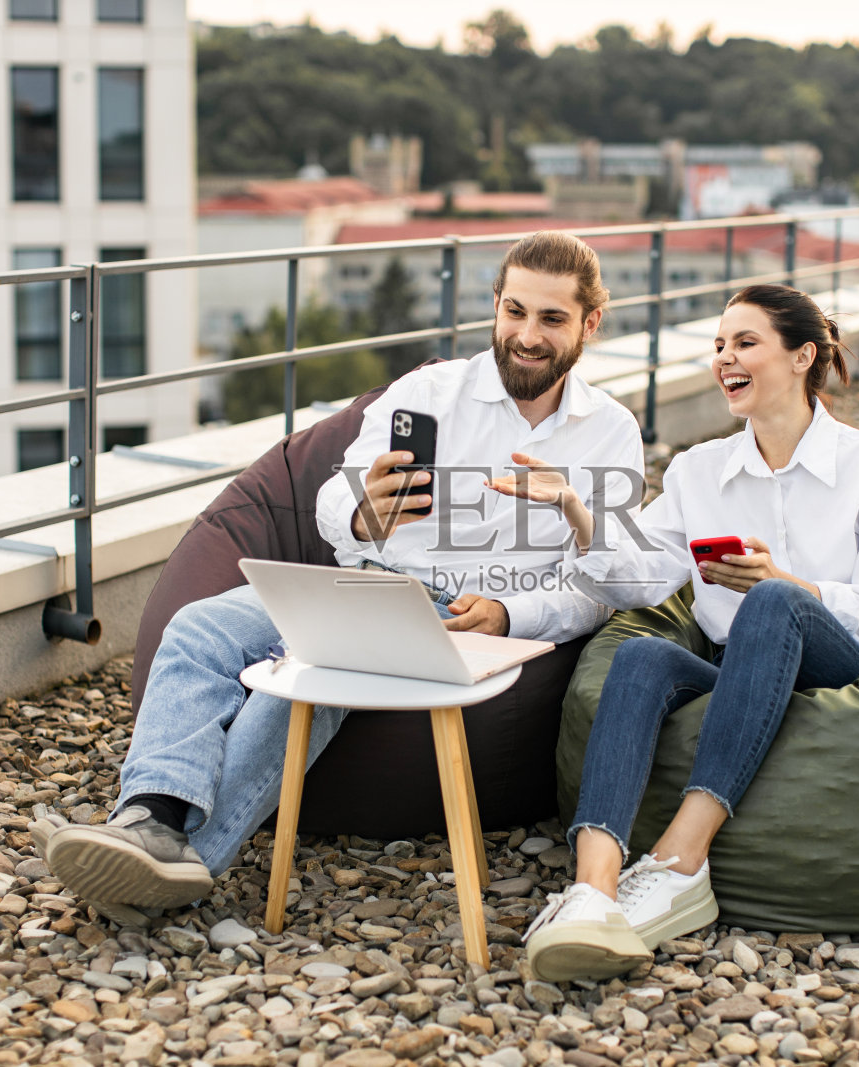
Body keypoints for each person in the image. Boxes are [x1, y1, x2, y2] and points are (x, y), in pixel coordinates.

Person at [38, 231, 646, 924]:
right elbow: (329, 503)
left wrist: (509, 613)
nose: (526, 335)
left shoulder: (609, 432)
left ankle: (179, 860)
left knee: (304, 680)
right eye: (514, 311)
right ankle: (146, 815)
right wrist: (364, 514)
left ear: (590, 324)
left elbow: (608, 585)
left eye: (551, 319)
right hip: (369, 580)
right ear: (496, 306)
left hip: (465, 618)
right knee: (197, 623)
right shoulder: (428, 391)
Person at [487, 284, 859, 981]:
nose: (725, 359)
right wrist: (575, 508)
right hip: (738, 668)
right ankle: (594, 886)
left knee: (773, 602)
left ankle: (684, 857)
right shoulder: (699, 471)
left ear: (803, 355)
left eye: (745, 343)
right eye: (719, 345)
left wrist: (791, 584)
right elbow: (638, 580)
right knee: (641, 654)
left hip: (839, 664)